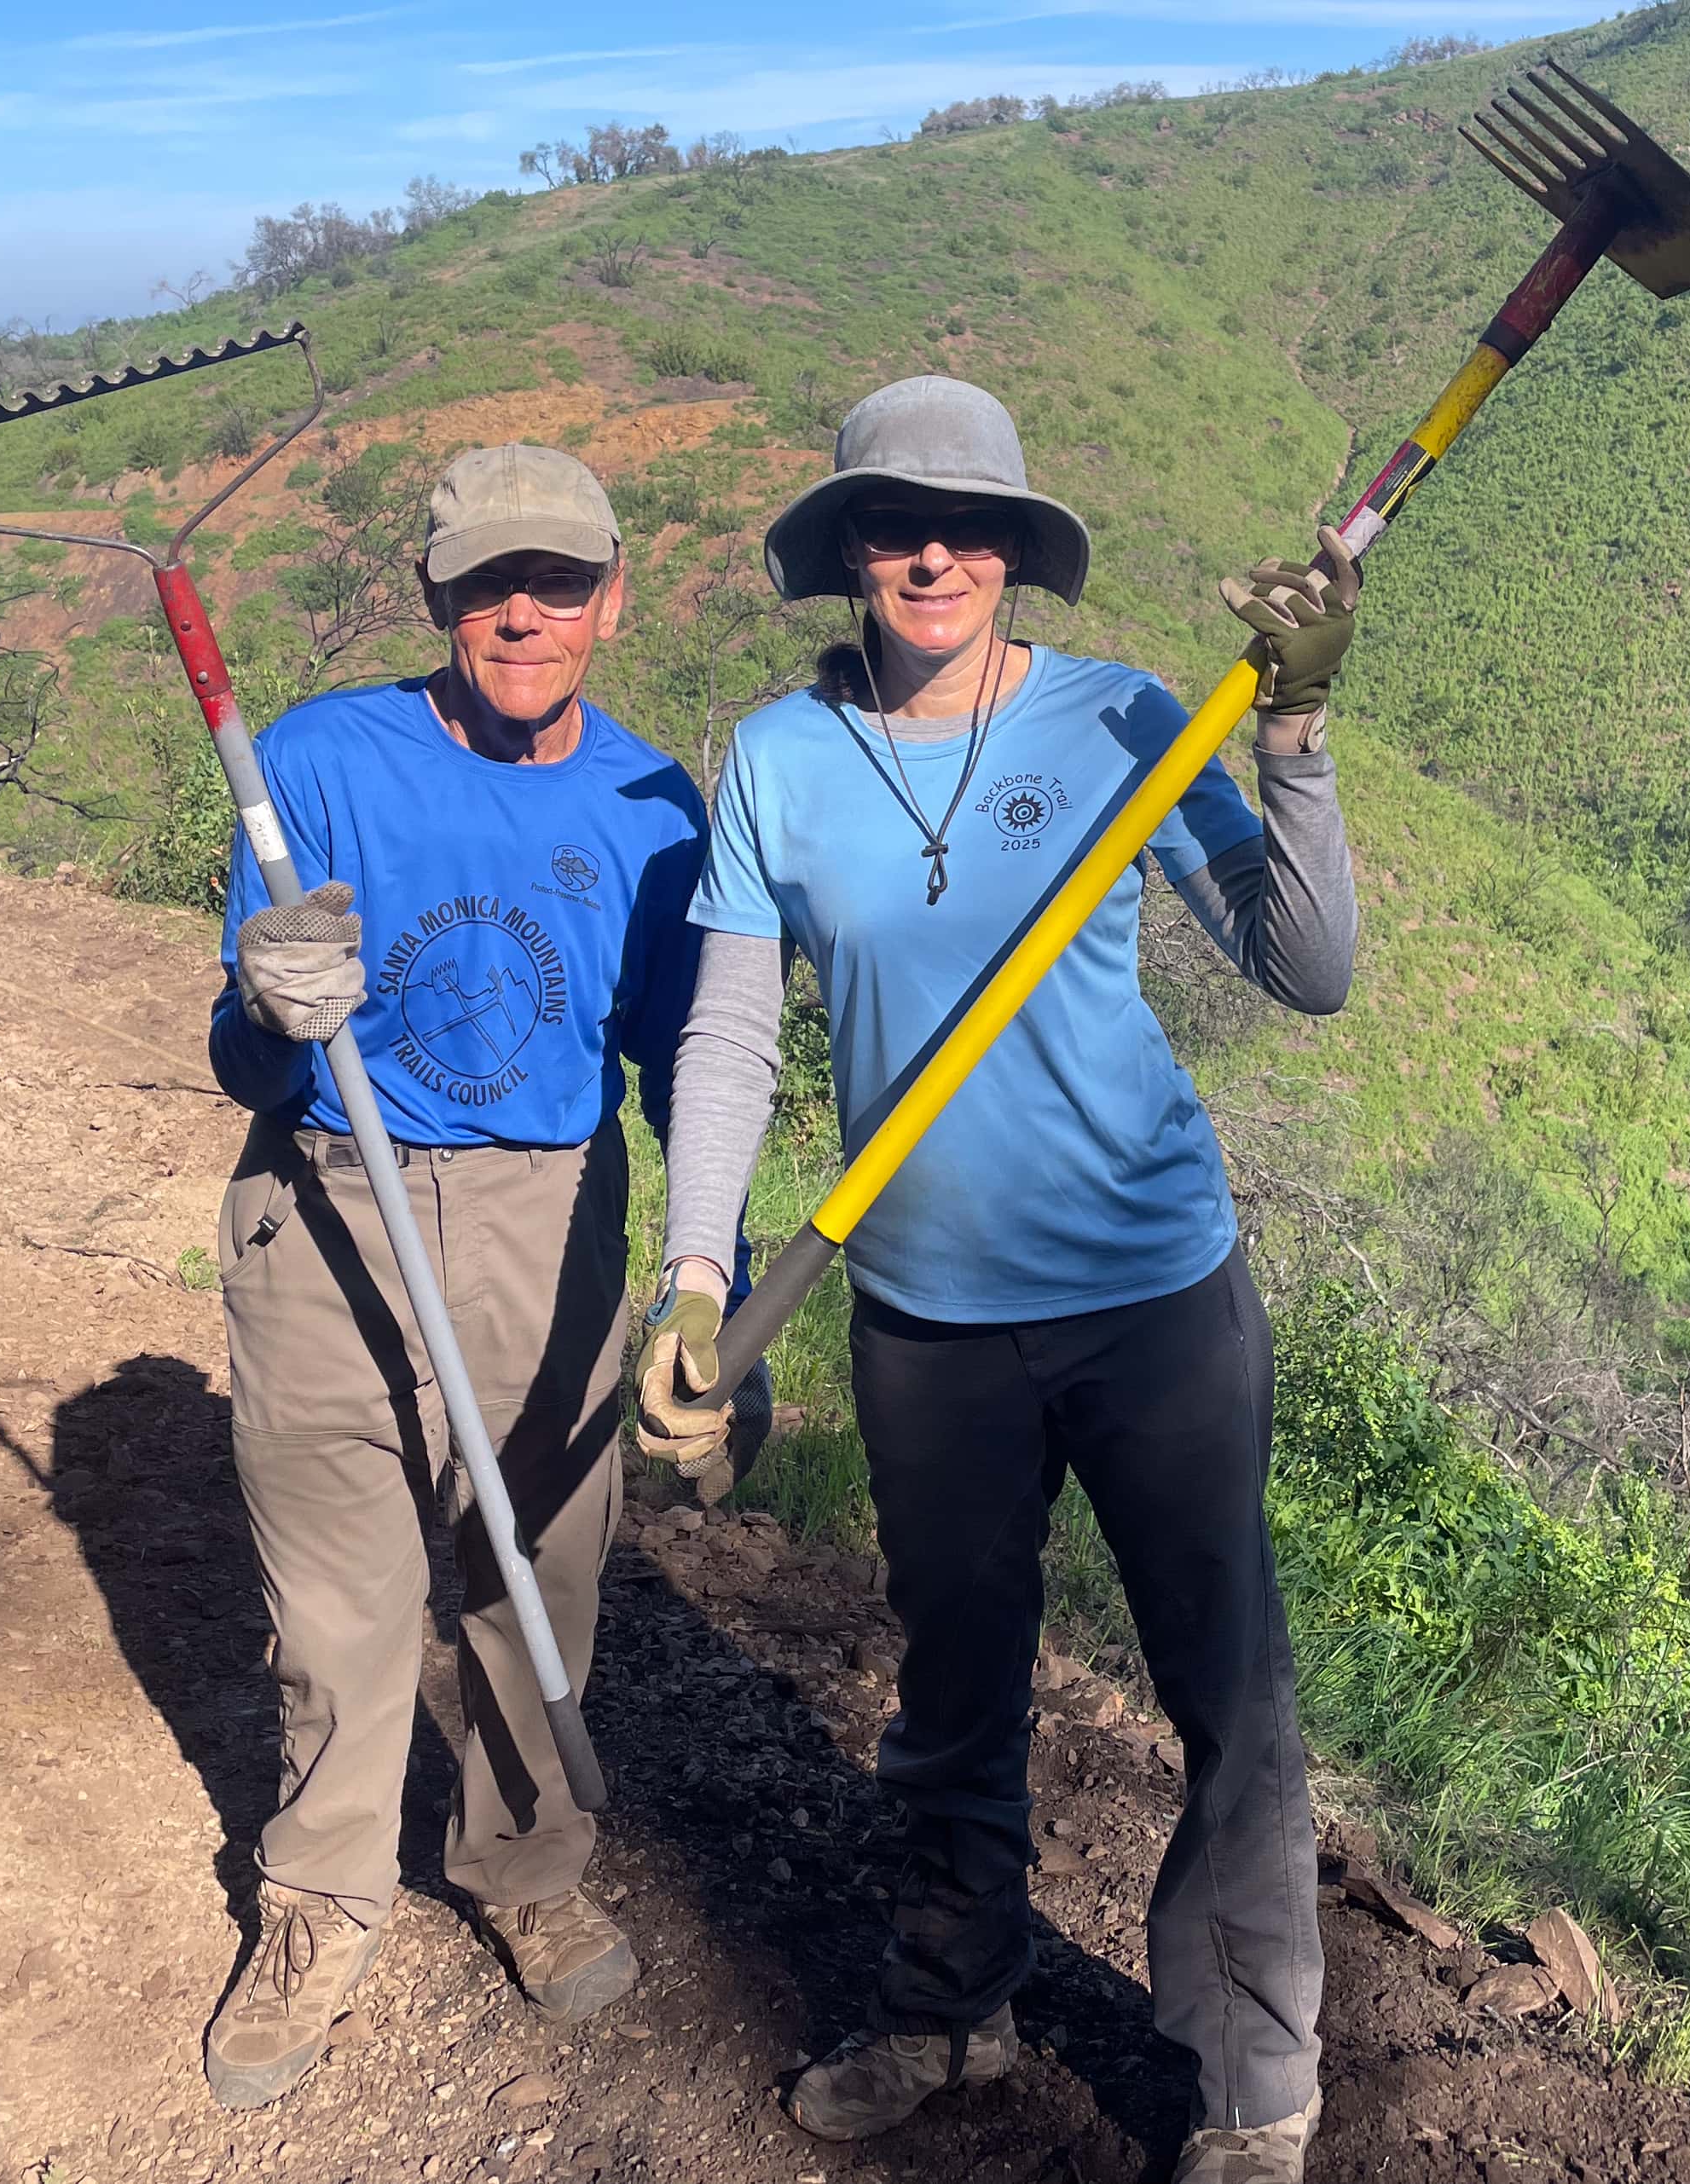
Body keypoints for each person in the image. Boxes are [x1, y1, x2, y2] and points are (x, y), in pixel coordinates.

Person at [634, 376, 1360, 2183]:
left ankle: (1255, 2081)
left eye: (971, 530)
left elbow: (1310, 970)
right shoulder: (778, 761)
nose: (934, 555)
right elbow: (729, 1029)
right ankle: (950, 2003)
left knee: (1226, 1682)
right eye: (897, 528)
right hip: (924, 1321)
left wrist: (1294, 735)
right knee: (953, 1680)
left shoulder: (1124, 720)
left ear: (1020, 557)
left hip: (1151, 1296)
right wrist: (696, 1273)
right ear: (849, 558)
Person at [202, 443, 736, 2111]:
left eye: (559, 580)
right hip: (335, 1193)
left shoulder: (656, 810)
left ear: (612, 597)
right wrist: (269, 1010)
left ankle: (525, 1861)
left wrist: (695, 1285)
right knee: (341, 1602)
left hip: (549, 1206)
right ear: (436, 597)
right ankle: (318, 1901)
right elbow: (241, 1055)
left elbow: (679, 1063)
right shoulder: (316, 760)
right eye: (489, 582)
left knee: (533, 1578)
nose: (524, 610)